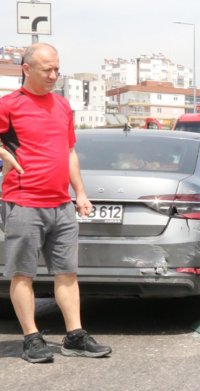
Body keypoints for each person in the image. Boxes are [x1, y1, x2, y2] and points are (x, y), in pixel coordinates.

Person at [0, 43, 112, 364]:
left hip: (61, 204)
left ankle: (75, 335)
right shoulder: (9, 105)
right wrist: (3, 152)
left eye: (56, 69)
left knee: (67, 273)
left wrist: (81, 192)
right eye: (46, 69)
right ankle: (31, 338)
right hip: (23, 202)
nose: (53, 75)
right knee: (23, 274)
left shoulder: (62, 106)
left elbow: (69, 152)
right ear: (26, 69)